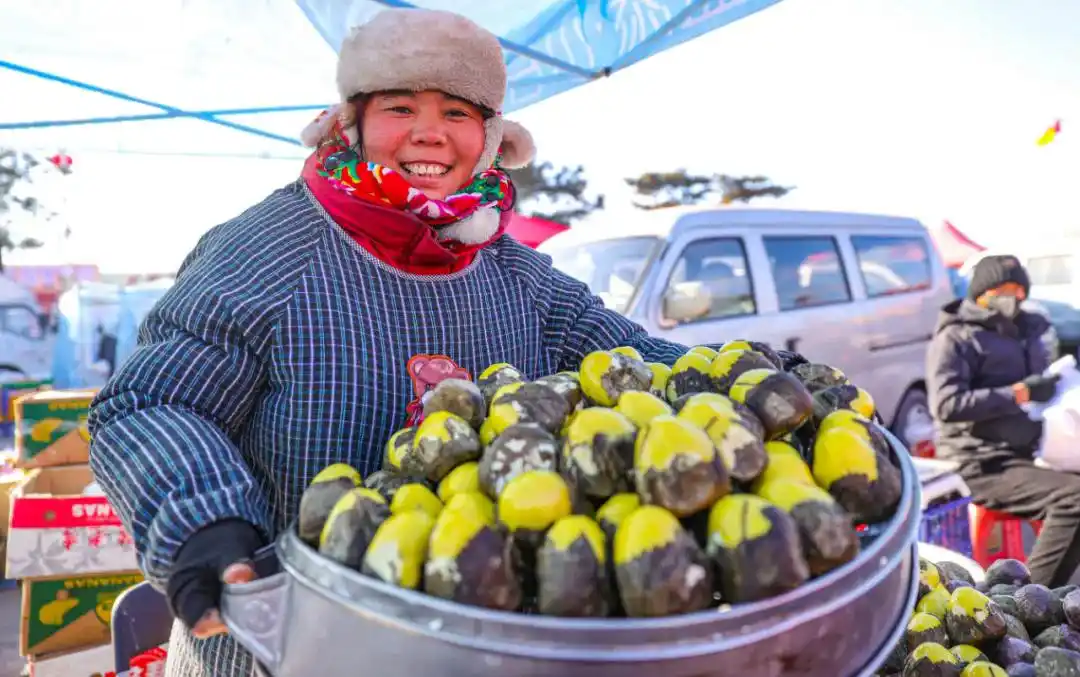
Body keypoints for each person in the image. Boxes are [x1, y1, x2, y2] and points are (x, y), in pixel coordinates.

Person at [87, 9, 742, 677]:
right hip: (279, 640)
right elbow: (150, 402)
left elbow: (632, 358)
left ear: (488, 138)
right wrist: (206, 518)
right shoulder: (269, 249)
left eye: (458, 113)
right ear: (353, 122)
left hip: (474, 646)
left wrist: (752, 377)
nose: (431, 132)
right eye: (401, 106)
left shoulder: (515, 273)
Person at [927, 254, 1080, 587]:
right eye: (1002, 289)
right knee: (1074, 498)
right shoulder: (956, 337)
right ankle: (1026, 599)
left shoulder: (1029, 329)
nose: (1012, 297)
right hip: (978, 460)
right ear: (982, 292)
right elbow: (946, 404)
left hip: (1029, 447)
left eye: (1018, 290)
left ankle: (1054, 588)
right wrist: (1018, 394)